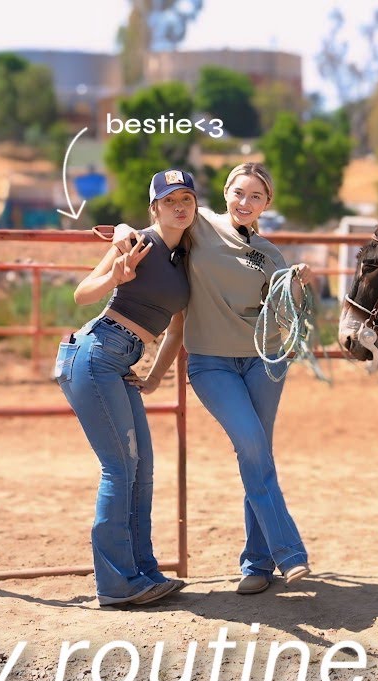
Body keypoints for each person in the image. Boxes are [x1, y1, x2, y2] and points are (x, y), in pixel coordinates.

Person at [115, 162, 312, 595]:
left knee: (257, 454)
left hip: (265, 361)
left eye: (256, 196)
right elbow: (149, 223)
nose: (246, 202)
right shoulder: (198, 224)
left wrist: (296, 291)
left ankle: (257, 564)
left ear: (266, 203)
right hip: (211, 363)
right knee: (252, 444)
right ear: (225, 193)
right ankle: (290, 553)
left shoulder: (272, 254)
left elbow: (285, 315)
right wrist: (120, 231)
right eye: (239, 193)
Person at [55, 168, 196, 608]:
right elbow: (82, 294)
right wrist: (116, 276)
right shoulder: (136, 243)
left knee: (142, 469)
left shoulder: (185, 261)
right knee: (120, 468)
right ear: (154, 207)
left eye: (186, 199)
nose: (179, 207)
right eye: (170, 200)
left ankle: (143, 572)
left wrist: (154, 377)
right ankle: (117, 585)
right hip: (95, 353)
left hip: (123, 362)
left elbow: (176, 332)